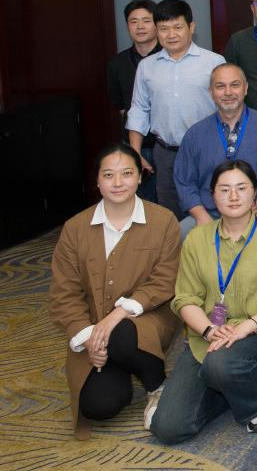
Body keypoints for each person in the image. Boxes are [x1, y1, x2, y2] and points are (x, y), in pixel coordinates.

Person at [149, 161, 257, 443]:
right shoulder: (196, 238)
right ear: (212, 195)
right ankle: (233, 387)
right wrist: (209, 330)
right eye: (224, 190)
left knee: (220, 364)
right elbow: (185, 298)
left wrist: (245, 328)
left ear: (255, 192)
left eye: (242, 188)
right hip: (207, 335)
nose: (233, 196)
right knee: (168, 428)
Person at [49, 145, 181, 439]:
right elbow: (64, 293)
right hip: (94, 328)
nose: (118, 183)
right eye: (108, 175)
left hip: (148, 318)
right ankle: (120, 362)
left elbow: (165, 280)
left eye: (127, 173)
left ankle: (156, 385)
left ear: (140, 177)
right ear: (97, 181)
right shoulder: (75, 228)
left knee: (122, 333)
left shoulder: (163, 221)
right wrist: (89, 339)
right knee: (99, 405)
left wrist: (118, 314)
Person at [127, 0, 226, 218]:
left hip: (206, 149)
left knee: (211, 208)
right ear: (157, 30)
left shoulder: (214, 62)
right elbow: (139, 109)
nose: (171, 34)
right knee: (169, 213)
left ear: (191, 27)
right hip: (166, 152)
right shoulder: (147, 67)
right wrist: (135, 152)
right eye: (164, 29)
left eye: (177, 27)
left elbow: (228, 106)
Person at [173, 63, 257, 237]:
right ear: (211, 91)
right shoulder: (195, 134)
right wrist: (200, 215)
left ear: (246, 88)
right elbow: (184, 182)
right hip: (209, 215)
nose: (228, 92)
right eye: (220, 86)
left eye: (235, 85)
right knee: (179, 235)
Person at [106, 0, 160, 200]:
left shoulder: (168, 58)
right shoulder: (117, 63)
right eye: (133, 21)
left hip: (166, 145)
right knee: (140, 201)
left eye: (146, 21)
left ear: (157, 24)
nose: (140, 26)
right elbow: (121, 106)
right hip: (135, 145)